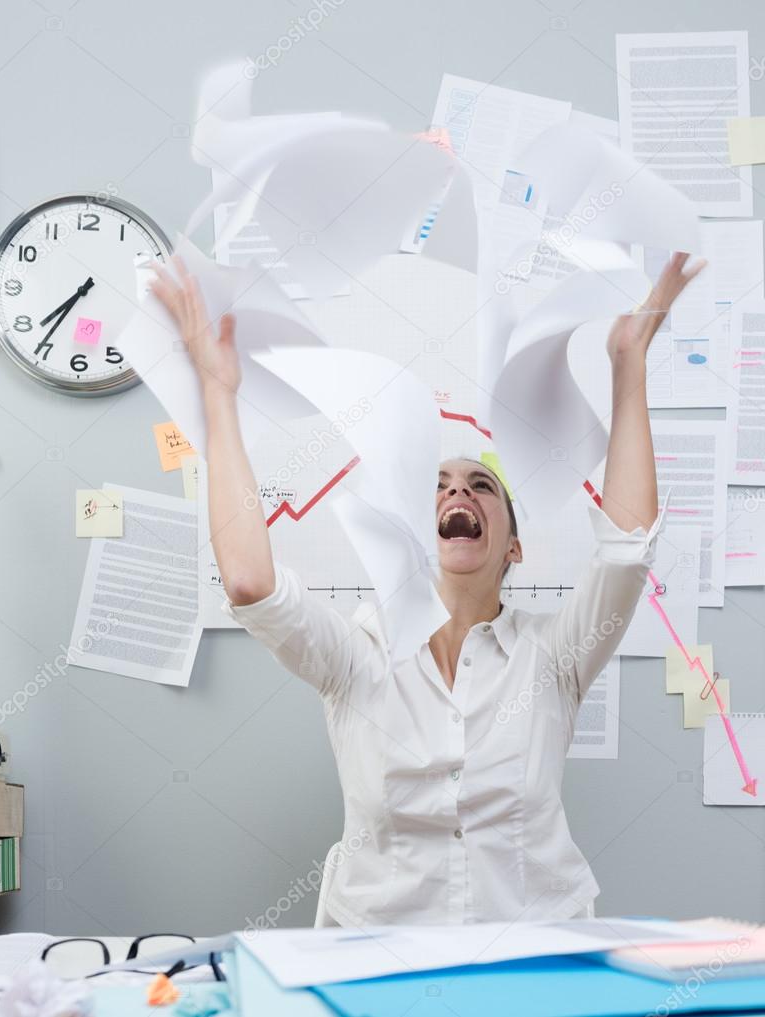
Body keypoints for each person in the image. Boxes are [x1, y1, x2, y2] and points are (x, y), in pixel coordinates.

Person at [151, 252, 704, 926]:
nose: (458, 491)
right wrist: (218, 392)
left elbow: (626, 551)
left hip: (531, 962)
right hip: (375, 963)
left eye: (481, 485)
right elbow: (247, 582)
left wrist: (628, 363)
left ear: (514, 546)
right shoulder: (355, 654)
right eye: (438, 485)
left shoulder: (554, 655)